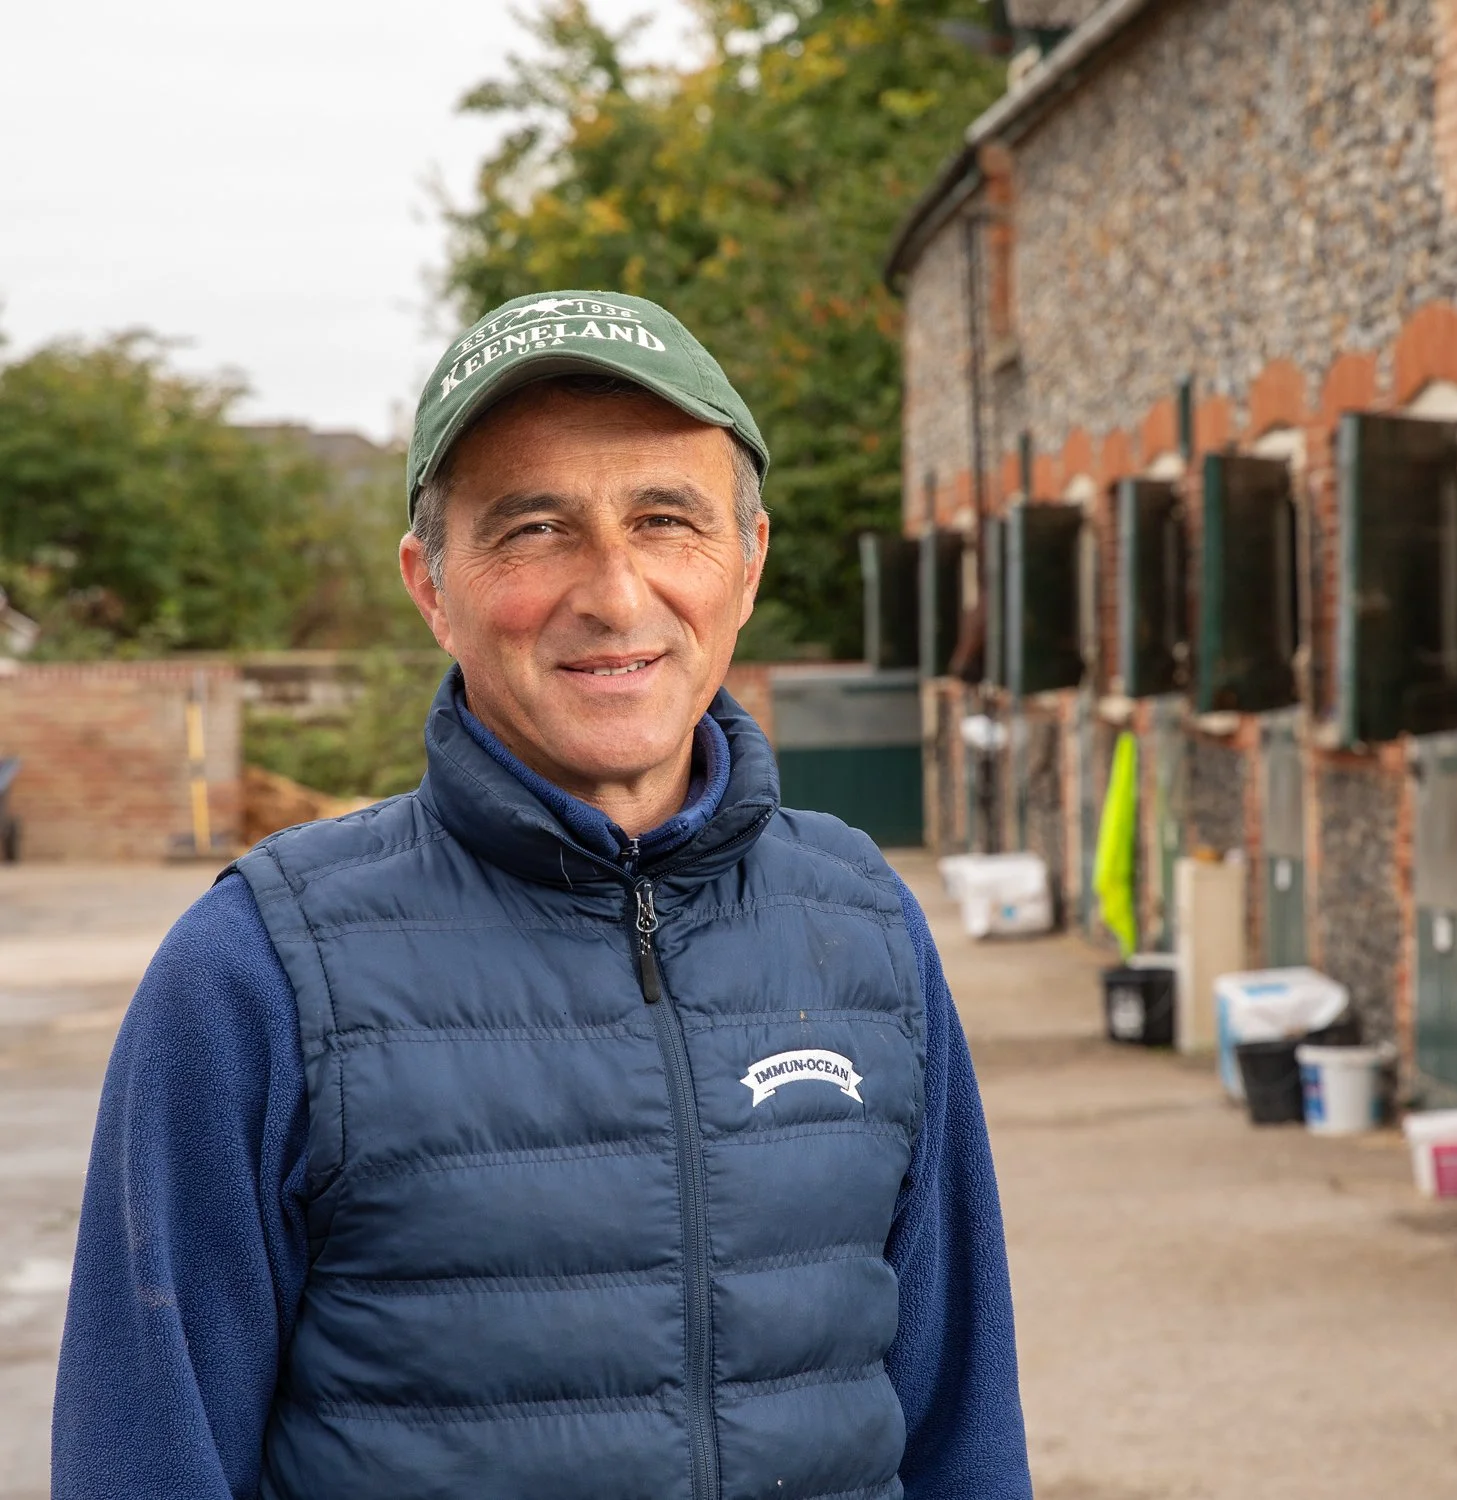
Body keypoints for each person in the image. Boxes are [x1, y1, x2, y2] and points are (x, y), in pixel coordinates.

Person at [52, 290, 1032, 1500]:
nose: (615, 595)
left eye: (668, 520)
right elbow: (145, 1455)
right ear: (431, 584)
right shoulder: (253, 970)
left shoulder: (864, 929)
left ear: (749, 562)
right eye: (534, 531)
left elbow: (962, 1427)